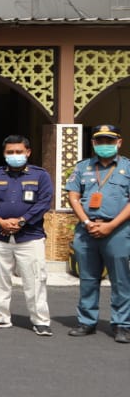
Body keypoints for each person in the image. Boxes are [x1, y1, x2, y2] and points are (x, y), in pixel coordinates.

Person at [0, 135, 53, 336]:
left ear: (28, 152)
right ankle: (0, 317)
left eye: (19, 152)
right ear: (4, 154)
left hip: (30, 236)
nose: (15, 155)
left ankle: (40, 320)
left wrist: (22, 221)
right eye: (10, 152)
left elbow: (44, 202)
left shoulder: (41, 176)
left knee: (35, 280)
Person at [65, 124, 130, 343]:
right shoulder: (82, 167)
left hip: (118, 230)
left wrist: (111, 226)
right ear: (93, 143)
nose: (105, 145)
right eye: (100, 141)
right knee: (88, 277)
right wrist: (85, 221)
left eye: (109, 141)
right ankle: (86, 321)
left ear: (118, 143)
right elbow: (73, 195)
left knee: (121, 279)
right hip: (86, 230)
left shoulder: (128, 167)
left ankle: (122, 324)